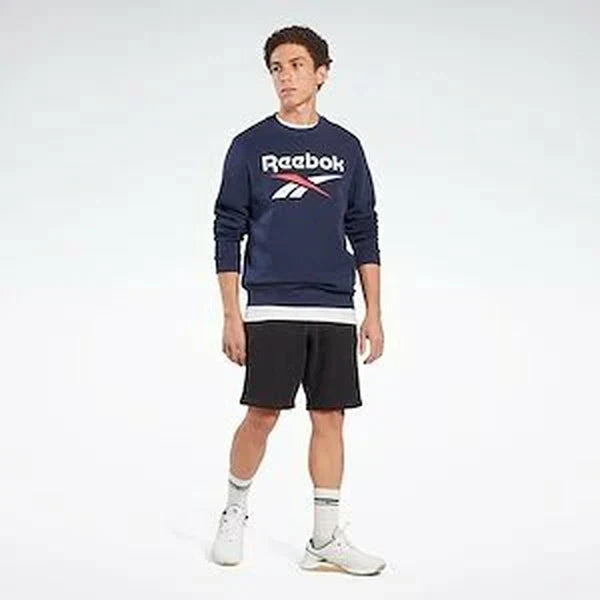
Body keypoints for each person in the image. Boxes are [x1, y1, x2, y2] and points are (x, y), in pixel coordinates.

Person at [210, 25, 385, 576]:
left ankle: (324, 540)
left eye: (296, 66)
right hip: (271, 306)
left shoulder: (346, 147)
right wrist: (231, 314)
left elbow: (364, 228)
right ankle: (234, 511)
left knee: (330, 418)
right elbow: (227, 231)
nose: (285, 77)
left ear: (322, 73)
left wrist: (374, 312)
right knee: (262, 415)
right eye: (276, 68)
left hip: (333, 307)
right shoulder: (250, 146)